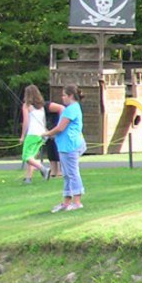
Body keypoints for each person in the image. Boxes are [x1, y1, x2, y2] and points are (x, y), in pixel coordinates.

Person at [43, 84, 86, 212]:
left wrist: (47, 133)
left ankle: (77, 202)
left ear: (71, 96)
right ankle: (66, 202)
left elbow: (61, 127)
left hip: (70, 146)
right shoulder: (71, 109)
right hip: (64, 146)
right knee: (67, 175)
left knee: (72, 173)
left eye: (64, 95)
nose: (62, 98)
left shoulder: (71, 109)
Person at [19, 85, 51, 183]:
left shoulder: (26, 106)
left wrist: (22, 136)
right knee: (32, 156)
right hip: (41, 134)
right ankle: (28, 178)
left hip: (32, 134)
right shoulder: (41, 106)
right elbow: (44, 120)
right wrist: (45, 132)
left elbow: (26, 122)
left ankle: (44, 169)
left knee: (26, 156)